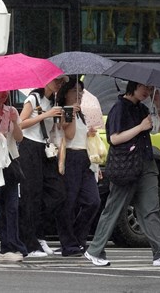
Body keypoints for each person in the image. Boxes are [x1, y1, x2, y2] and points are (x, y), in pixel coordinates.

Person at [84, 81, 160, 267]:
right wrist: (140, 127)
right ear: (133, 87)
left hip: (145, 163)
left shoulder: (142, 108)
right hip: (126, 166)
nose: (147, 91)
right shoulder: (119, 108)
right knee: (114, 209)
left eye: (151, 88)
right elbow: (114, 138)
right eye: (145, 87)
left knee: (150, 209)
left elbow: (158, 127)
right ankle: (95, 250)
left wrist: (158, 104)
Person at [17, 76, 67, 257]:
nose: (59, 85)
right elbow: (20, 124)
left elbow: (54, 129)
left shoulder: (53, 101)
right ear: (45, 81)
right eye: (57, 81)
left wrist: (60, 118)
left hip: (46, 149)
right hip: (29, 147)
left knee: (56, 192)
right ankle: (30, 243)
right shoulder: (34, 99)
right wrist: (46, 115)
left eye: (61, 83)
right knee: (31, 195)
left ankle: (39, 236)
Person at [55, 77, 101, 257]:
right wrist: (71, 114)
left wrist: (89, 133)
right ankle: (69, 243)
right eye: (75, 91)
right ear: (66, 94)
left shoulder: (81, 113)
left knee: (93, 201)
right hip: (70, 157)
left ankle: (78, 238)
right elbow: (69, 134)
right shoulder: (66, 111)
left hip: (85, 158)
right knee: (69, 202)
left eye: (81, 92)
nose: (79, 95)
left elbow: (81, 135)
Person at [0, 91, 28, 262]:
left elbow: (19, 137)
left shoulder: (11, 110)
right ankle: (4, 244)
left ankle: (12, 244)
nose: (3, 95)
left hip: (10, 161)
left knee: (12, 205)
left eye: (5, 92)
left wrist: (14, 120)